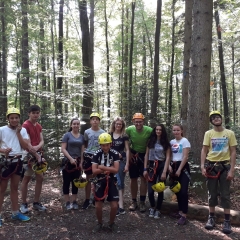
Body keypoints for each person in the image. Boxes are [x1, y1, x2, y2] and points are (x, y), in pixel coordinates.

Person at [201, 111, 237, 234]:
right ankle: (211, 217)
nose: (216, 119)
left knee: (225, 194)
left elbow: (233, 151)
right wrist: (202, 166)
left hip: (225, 166)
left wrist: (232, 169)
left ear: (221, 119)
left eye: (218, 117)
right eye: (213, 118)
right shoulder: (208, 133)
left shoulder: (229, 133)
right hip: (211, 166)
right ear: (211, 121)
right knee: (212, 193)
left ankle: (227, 221)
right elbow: (204, 150)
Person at [0, 107, 30, 227]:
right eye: (11, 118)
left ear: (19, 118)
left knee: (14, 187)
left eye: (16, 117)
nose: (14, 120)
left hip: (18, 161)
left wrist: (18, 133)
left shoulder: (23, 131)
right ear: (8, 119)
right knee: (2, 189)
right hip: (5, 162)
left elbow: (25, 146)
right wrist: (3, 150)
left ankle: (15, 212)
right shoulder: (1, 129)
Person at [91, 133, 120, 233]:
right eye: (103, 145)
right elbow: (94, 171)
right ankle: (99, 223)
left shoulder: (115, 153)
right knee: (98, 205)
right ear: (100, 145)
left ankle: (112, 223)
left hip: (112, 180)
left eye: (107, 144)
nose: (105, 147)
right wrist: (109, 169)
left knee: (115, 205)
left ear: (110, 144)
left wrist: (102, 167)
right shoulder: (96, 154)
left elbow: (116, 170)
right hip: (99, 181)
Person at [20, 105, 46, 213]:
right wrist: (36, 154)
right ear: (29, 113)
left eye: (37, 112)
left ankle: (36, 202)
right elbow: (27, 143)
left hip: (38, 154)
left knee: (40, 177)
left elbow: (42, 140)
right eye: (33, 112)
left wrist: (38, 148)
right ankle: (23, 203)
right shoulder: (25, 125)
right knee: (26, 179)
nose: (35, 114)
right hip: (29, 156)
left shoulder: (38, 126)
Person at [143, 124, 171, 219]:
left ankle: (158, 209)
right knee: (150, 190)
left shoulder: (166, 142)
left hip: (162, 165)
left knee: (160, 188)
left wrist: (164, 171)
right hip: (151, 165)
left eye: (160, 130)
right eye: (157, 129)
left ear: (162, 131)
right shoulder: (150, 141)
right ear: (155, 131)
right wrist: (145, 168)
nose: (158, 131)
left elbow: (168, 157)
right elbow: (146, 155)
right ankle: (152, 207)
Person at [126, 113, 152, 212]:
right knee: (133, 179)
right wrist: (129, 153)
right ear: (133, 122)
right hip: (133, 154)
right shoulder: (129, 129)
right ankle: (134, 201)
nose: (138, 124)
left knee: (143, 178)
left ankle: (142, 202)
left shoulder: (149, 130)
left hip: (145, 155)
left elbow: (153, 141)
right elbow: (125, 141)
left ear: (143, 122)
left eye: (140, 121)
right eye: (136, 122)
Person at [81, 113, 105, 209]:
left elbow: (104, 146)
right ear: (90, 121)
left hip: (98, 156)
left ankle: (96, 197)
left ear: (99, 121)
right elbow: (85, 144)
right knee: (89, 178)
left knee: (98, 178)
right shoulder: (86, 132)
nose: (95, 121)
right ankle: (87, 199)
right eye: (93, 119)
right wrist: (83, 157)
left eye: (97, 119)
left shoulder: (103, 132)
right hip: (88, 155)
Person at [169, 123, 191, 225]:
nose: (176, 132)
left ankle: (184, 214)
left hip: (183, 167)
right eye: (174, 130)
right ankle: (180, 211)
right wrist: (169, 166)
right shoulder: (171, 142)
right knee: (176, 190)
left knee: (183, 191)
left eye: (178, 130)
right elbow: (169, 155)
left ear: (181, 131)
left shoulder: (184, 141)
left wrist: (179, 170)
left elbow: (185, 156)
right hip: (173, 167)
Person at [61, 118, 85, 210]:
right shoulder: (67, 135)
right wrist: (70, 158)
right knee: (66, 182)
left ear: (79, 126)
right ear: (71, 125)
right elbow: (63, 149)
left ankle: (74, 201)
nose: (76, 125)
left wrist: (81, 162)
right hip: (67, 162)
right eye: (74, 124)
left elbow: (82, 150)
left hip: (78, 162)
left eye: (77, 124)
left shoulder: (82, 137)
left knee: (76, 182)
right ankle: (67, 202)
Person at [109, 117, 130, 216]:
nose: (118, 126)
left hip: (121, 162)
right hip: (110, 162)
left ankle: (120, 206)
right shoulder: (109, 135)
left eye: (120, 124)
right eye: (117, 124)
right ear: (114, 124)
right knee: (113, 182)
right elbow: (106, 148)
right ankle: (116, 204)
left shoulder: (124, 136)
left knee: (120, 182)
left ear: (122, 125)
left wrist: (127, 164)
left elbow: (127, 150)